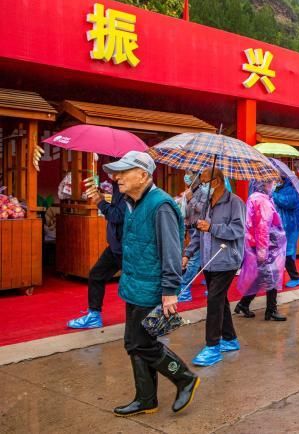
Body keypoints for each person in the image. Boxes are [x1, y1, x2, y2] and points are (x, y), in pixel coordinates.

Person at [102, 151, 199, 417]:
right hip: (134, 285)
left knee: (142, 344)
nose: (117, 177)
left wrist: (170, 292)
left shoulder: (161, 205)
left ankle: (184, 378)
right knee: (133, 343)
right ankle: (146, 399)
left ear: (143, 175)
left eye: (124, 172)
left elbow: (171, 250)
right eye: (117, 172)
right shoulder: (131, 201)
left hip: (151, 288)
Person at [183, 168, 246, 367]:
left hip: (226, 259)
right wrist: (187, 254)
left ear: (216, 182)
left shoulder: (235, 202)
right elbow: (198, 233)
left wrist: (212, 228)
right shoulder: (206, 204)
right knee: (219, 300)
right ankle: (230, 339)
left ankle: (212, 346)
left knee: (214, 300)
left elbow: (238, 230)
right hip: (208, 260)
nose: (201, 186)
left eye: (204, 182)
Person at [67, 173, 126, 329]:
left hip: (128, 248)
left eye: (113, 169)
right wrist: (100, 195)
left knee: (136, 286)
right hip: (115, 246)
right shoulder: (118, 187)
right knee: (96, 275)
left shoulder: (129, 190)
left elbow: (117, 216)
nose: (110, 173)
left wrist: (99, 201)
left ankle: (157, 319)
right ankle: (94, 315)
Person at [236, 181, 288, 322]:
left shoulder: (256, 197)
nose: (273, 185)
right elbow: (263, 227)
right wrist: (262, 250)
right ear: (264, 184)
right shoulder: (261, 200)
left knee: (262, 275)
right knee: (272, 276)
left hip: (260, 244)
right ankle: (271, 310)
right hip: (266, 246)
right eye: (271, 182)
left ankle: (244, 303)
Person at [178, 170, 208, 303]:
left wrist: (191, 199)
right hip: (192, 229)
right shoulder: (191, 190)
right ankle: (209, 286)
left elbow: (203, 210)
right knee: (202, 259)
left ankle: (184, 290)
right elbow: (188, 213)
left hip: (201, 229)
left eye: (189, 174)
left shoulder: (203, 192)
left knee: (194, 260)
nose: (186, 177)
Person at [272, 176, 299, 288]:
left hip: (292, 227)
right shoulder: (279, 189)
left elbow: (286, 202)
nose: (277, 181)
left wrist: (273, 193)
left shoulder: (292, 190)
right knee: (279, 251)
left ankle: (295, 278)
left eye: (280, 179)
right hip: (281, 226)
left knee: (288, 252)